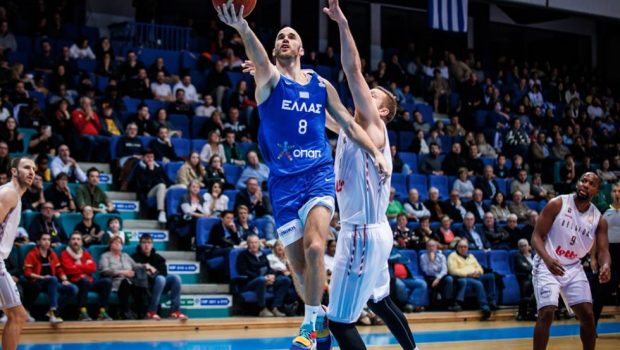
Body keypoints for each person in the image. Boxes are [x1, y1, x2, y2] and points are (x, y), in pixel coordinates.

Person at [217, 2, 389, 349]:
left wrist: (375, 153)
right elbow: (258, 57)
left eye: (291, 36)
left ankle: (310, 326)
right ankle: (320, 325)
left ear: (300, 49)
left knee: (314, 248)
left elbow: (348, 124)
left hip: (317, 176)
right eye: (279, 36)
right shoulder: (268, 80)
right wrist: (243, 28)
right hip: (283, 183)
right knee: (297, 267)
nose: (284, 38)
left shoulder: (320, 85)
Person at [320, 2, 417, 350]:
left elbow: (351, 68)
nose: (366, 92)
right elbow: (326, 109)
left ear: (383, 111)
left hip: (361, 234)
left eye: (372, 94)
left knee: (339, 321)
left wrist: (343, 24)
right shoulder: (351, 128)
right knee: (380, 300)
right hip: (373, 232)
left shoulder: (374, 124)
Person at [531, 172, 611, 350]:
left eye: (591, 184)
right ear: (577, 183)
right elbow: (536, 237)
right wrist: (548, 259)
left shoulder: (599, 219)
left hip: (573, 267)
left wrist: (605, 265)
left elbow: (604, 251)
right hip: (547, 264)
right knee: (546, 312)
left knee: (588, 315)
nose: (585, 185)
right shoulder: (558, 203)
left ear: (596, 191)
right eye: (583, 181)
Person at [0, 157, 35, 349]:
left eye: (34, 169)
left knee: (15, 314)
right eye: (26, 167)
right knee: (17, 315)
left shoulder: (13, 195)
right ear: (14, 171)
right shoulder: (9, 194)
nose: (31, 172)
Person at [23, 232, 78, 324]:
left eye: (48, 240)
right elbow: (27, 273)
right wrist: (42, 277)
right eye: (44, 239)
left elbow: (59, 269)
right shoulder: (32, 254)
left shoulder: (52, 254)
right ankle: (53, 311)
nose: (47, 242)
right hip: (39, 282)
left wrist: (65, 280)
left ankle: (53, 311)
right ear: (39, 241)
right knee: (53, 279)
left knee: (73, 289)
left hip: (53, 283)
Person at [131, 234, 188, 320]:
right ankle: (151, 311)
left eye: (149, 243)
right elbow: (135, 273)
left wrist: (153, 272)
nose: (147, 245)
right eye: (144, 243)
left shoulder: (158, 258)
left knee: (176, 278)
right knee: (160, 279)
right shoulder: (134, 257)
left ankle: (174, 311)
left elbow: (164, 273)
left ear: (152, 245)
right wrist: (150, 272)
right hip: (144, 287)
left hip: (159, 285)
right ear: (140, 244)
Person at [60, 232, 113, 321]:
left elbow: (93, 268)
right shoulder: (64, 253)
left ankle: (102, 312)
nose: (75, 241)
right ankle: (82, 311)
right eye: (73, 239)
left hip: (89, 281)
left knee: (107, 282)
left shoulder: (85, 253)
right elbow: (69, 270)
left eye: (78, 239)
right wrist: (85, 266)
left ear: (81, 242)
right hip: (75, 281)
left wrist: (78, 265)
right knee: (84, 280)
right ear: (69, 242)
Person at [237, 234, 292, 317]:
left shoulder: (262, 255)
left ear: (259, 244)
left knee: (285, 280)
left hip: (266, 279)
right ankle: (262, 309)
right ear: (248, 244)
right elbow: (244, 271)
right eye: (251, 243)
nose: (254, 245)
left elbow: (269, 268)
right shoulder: (242, 255)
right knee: (261, 280)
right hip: (250, 282)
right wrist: (264, 278)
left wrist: (271, 276)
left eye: (256, 242)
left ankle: (275, 307)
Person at [99, 236, 147, 320]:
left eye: (120, 242)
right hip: (116, 281)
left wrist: (145, 265)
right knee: (126, 282)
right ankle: (125, 311)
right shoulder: (105, 256)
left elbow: (135, 266)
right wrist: (122, 272)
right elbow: (104, 271)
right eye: (115, 242)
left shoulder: (125, 255)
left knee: (140, 285)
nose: (118, 243)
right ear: (110, 244)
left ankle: (140, 313)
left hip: (131, 280)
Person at [448, 238, 497, 319]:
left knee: (491, 276)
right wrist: (468, 274)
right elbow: (452, 271)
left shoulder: (471, 256)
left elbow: (480, 268)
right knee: (478, 284)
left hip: (475, 276)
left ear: (467, 248)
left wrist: (478, 273)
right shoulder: (452, 256)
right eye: (461, 247)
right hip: (463, 278)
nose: (463, 248)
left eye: (465, 247)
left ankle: (492, 301)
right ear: (457, 248)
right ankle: (485, 308)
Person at [420, 239, 456, 310]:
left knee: (449, 279)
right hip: (430, 277)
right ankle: (434, 306)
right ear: (426, 247)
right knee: (429, 282)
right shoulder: (423, 257)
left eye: (433, 246)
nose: (431, 248)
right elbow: (426, 271)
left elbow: (444, 270)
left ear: (436, 247)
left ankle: (447, 302)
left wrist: (438, 279)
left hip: (440, 277)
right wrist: (431, 261)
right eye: (429, 246)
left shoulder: (441, 256)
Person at [602, 183, 620, 305]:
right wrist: (593, 257)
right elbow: (598, 234)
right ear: (611, 193)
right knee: (606, 279)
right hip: (608, 250)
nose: (617, 194)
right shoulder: (604, 211)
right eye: (614, 191)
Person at [514, 238, 535, 321]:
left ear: (529, 246)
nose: (523, 247)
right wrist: (534, 269)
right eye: (521, 246)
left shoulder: (534, 254)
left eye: (525, 245)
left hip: (536, 276)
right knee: (529, 284)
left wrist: (533, 269)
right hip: (525, 277)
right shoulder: (518, 256)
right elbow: (524, 268)